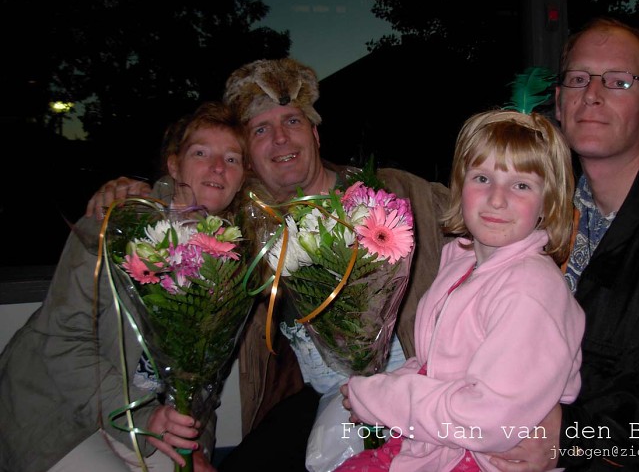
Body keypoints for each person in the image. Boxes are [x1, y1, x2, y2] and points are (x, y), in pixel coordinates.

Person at [85, 57, 452, 470]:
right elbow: (185, 204)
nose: (280, 139)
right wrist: (131, 191)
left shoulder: (395, 191)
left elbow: (500, 232)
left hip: (424, 383)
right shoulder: (242, 228)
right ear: (248, 157)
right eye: (261, 129)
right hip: (322, 394)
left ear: (314, 133)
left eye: (292, 122)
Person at [488, 18, 639, 471]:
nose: (593, 94)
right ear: (560, 103)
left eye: (619, 81)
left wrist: (574, 436)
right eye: (579, 79)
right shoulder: (527, 216)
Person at [0, 101, 246, 472]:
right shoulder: (116, 222)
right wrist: (145, 420)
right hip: (60, 413)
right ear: (174, 164)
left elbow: (204, 385)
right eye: (201, 152)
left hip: (148, 418)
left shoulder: (229, 263)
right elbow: (63, 341)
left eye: (232, 159)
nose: (217, 167)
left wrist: (197, 448)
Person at [334, 108, 585, 472]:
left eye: (521, 185)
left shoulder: (530, 289)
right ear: (460, 184)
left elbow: (488, 419)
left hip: (485, 460)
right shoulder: (460, 261)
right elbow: (437, 365)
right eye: (482, 178)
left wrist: (382, 399)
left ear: (547, 203)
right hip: (437, 445)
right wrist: (386, 385)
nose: (497, 199)